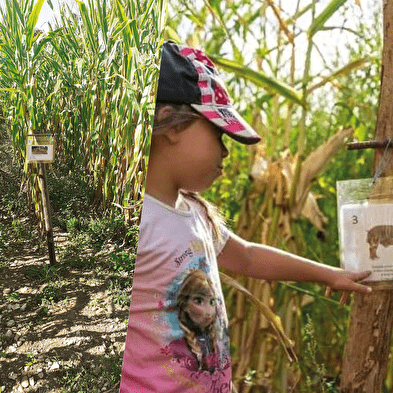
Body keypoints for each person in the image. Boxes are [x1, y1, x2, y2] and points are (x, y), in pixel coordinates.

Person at [119, 41, 372, 393]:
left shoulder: (195, 212)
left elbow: (249, 256)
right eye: (218, 134)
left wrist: (329, 274)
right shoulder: (132, 223)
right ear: (170, 123)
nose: (225, 150)